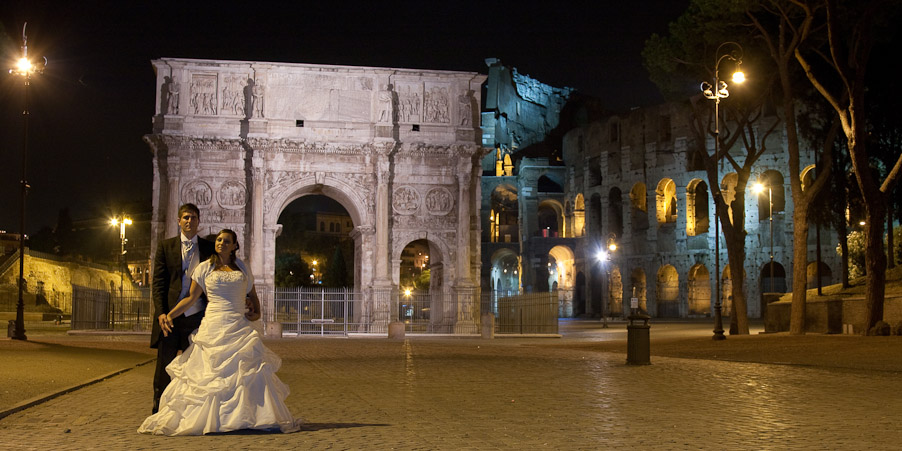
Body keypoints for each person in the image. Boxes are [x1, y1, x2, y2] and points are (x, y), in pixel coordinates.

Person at [139, 229, 300, 435]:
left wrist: (257, 312)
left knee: (246, 371)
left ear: (234, 246)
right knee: (211, 373)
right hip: (214, 322)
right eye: (219, 240)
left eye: (226, 241)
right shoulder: (204, 267)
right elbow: (190, 298)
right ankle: (216, 419)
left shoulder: (241, 266)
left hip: (238, 324)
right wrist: (170, 315)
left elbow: (252, 293)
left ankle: (245, 417)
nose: (221, 243)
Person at [150, 203, 215, 414]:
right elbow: (158, 283)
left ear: (199, 221)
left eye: (193, 217)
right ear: (178, 221)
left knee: (195, 366)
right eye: (185, 217)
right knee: (164, 365)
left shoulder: (209, 248)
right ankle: (159, 405)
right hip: (169, 316)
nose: (189, 221)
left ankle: (189, 408)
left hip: (197, 316)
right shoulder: (165, 246)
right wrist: (161, 312)